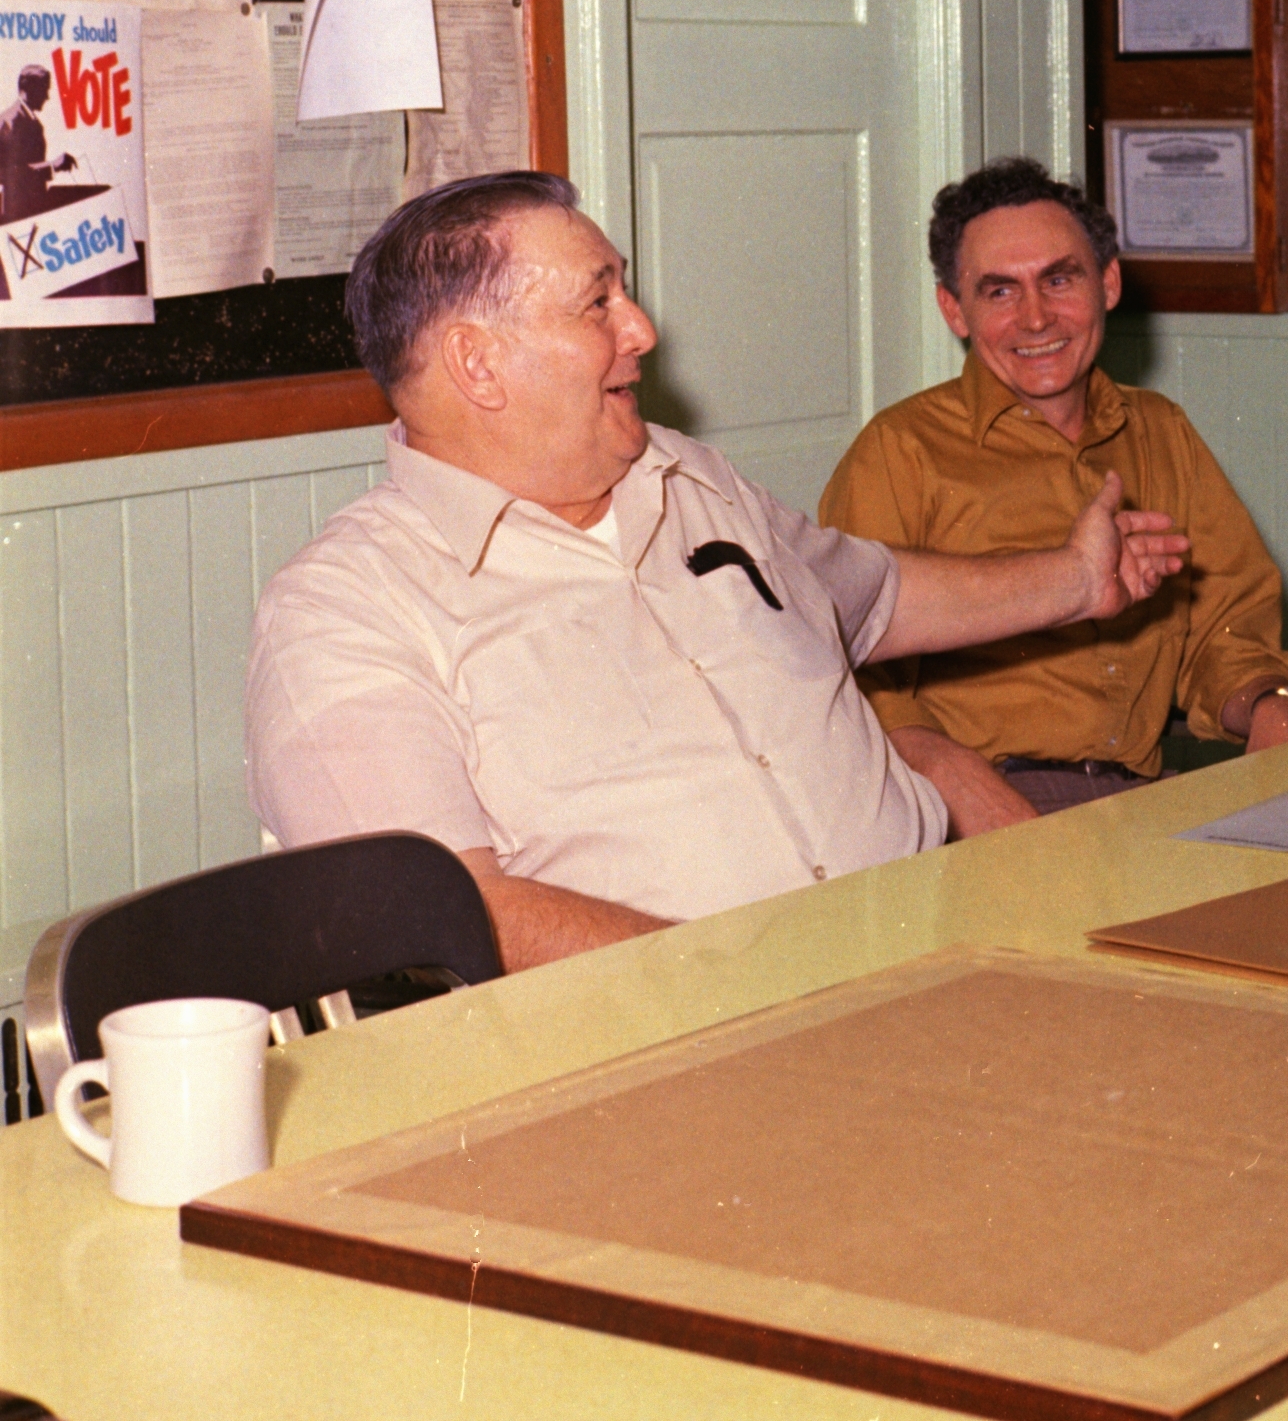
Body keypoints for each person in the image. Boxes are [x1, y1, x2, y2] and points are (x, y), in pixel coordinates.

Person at [245, 171, 1188, 968]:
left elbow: (874, 595)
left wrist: (1075, 580)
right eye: (598, 301)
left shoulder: (683, 473)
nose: (643, 329)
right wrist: (748, 988)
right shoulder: (344, 611)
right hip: (691, 1044)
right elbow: (450, 914)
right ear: (479, 366)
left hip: (942, 943)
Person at [816, 157, 1288, 832]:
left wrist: (1269, 701)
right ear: (952, 309)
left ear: (1107, 282)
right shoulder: (900, 451)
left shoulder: (1160, 429)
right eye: (998, 292)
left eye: (1059, 279)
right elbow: (841, 660)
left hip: (1142, 799)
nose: (1036, 318)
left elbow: (1225, 627)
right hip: (970, 804)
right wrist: (951, 772)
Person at [1, 65, 78, 224]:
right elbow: (6, 172)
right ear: (30, 88)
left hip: (30, 213)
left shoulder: (26, 119)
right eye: (44, 90)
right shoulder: (12, 121)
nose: (47, 97)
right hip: (18, 217)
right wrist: (52, 166)